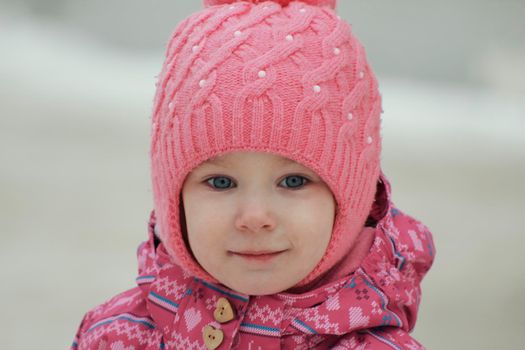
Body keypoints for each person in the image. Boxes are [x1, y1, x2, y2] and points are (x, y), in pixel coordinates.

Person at [71, 0, 435, 349]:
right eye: (221, 182)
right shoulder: (114, 337)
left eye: (293, 181)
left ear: (352, 201)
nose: (255, 218)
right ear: (174, 198)